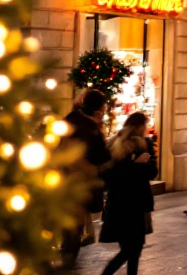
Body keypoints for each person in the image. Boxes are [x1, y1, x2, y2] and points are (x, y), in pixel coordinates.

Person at [98, 112, 156, 275]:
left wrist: (139, 164)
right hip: (131, 203)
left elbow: (152, 172)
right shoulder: (127, 145)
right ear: (139, 127)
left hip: (120, 203)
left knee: (132, 248)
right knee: (131, 249)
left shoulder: (116, 143)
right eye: (144, 125)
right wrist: (137, 165)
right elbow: (113, 174)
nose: (146, 129)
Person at [61, 89, 109, 269]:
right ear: (98, 109)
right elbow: (101, 156)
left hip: (64, 178)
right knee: (75, 226)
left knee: (69, 226)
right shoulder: (90, 126)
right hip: (81, 181)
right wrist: (99, 131)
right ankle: (67, 261)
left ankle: (66, 256)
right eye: (103, 110)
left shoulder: (71, 118)